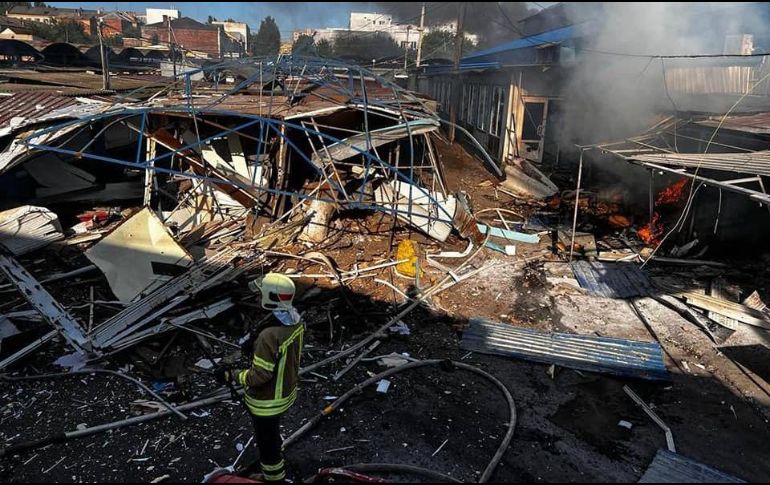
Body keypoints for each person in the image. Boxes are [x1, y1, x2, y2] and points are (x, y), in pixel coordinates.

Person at [216, 273, 304, 483]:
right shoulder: (297, 323)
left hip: (267, 402)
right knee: (271, 437)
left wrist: (231, 375)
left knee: (267, 443)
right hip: (286, 393)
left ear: (270, 298)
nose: (256, 299)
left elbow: (260, 376)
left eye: (260, 295)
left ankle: (273, 478)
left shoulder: (269, 336)